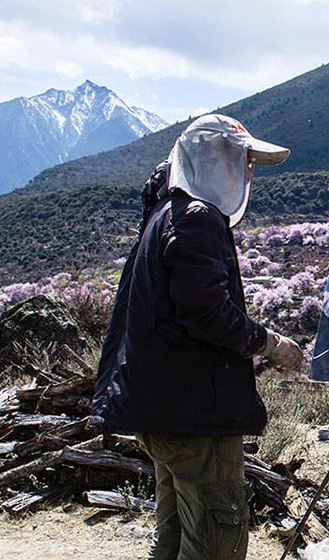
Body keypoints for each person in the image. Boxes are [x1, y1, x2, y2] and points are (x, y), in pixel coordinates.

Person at [93, 114, 304, 559]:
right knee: (214, 535)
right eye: (241, 159)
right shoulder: (196, 219)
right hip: (194, 415)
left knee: (173, 535)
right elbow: (207, 313)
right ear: (214, 159)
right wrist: (271, 344)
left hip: (168, 410)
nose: (246, 171)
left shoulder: (163, 213)